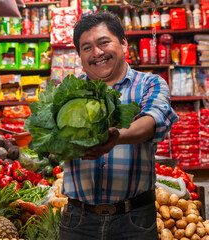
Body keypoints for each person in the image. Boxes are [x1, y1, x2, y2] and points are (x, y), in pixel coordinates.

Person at [59, 11, 178, 240]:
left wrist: (116, 136)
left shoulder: (150, 84)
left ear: (123, 44)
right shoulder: (68, 90)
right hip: (78, 221)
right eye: (87, 48)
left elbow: (153, 120)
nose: (97, 53)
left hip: (134, 221)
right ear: (80, 55)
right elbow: (54, 142)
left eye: (104, 43)